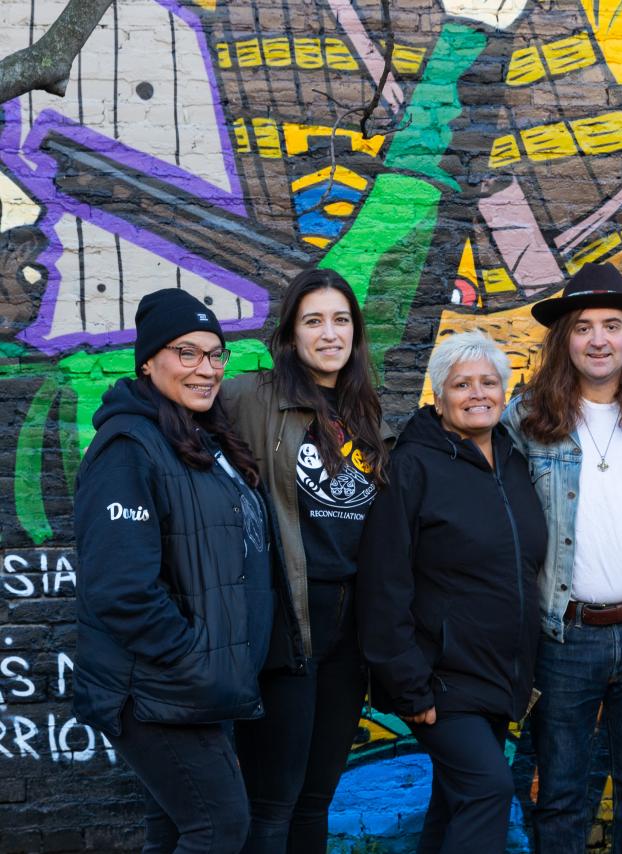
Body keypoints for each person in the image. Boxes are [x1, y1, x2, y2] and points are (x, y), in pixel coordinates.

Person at [501, 262, 622, 852]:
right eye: (583, 327)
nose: (598, 340)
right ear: (565, 338)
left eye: (611, 325)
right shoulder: (526, 420)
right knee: (560, 792)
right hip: (564, 635)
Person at [73, 289, 276, 853]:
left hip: (200, 683)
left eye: (216, 355)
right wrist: (193, 656)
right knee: (219, 826)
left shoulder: (199, 439)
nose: (206, 369)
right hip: (161, 685)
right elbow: (120, 588)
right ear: (148, 360)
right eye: (187, 353)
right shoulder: (128, 449)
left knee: (175, 827)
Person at [220, 268, 393, 852]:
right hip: (287, 624)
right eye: (313, 320)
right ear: (292, 335)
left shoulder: (366, 413)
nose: (329, 333)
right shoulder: (250, 397)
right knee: (273, 803)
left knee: (317, 800)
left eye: (341, 320)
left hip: (349, 633)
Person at [358, 329, 548, 852]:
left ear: (504, 392)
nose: (477, 393)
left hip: (497, 676)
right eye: (462, 384)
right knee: (487, 791)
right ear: (438, 398)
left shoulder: (511, 462)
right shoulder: (413, 467)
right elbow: (383, 583)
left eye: (489, 382)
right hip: (440, 678)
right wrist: (409, 685)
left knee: (454, 802)